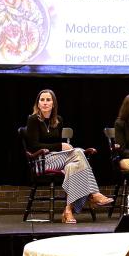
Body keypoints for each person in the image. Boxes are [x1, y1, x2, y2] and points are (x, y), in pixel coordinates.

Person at [25, 89, 113, 224]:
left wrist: (60, 148)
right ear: (37, 104)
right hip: (42, 160)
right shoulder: (33, 120)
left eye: (48, 100)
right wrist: (60, 146)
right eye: (42, 100)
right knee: (78, 152)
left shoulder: (58, 120)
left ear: (53, 104)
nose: (45, 103)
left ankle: (68, 211)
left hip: (59, 159)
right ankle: (93, 193)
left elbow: (55, 145)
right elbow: (33, 146)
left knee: (72, 166)